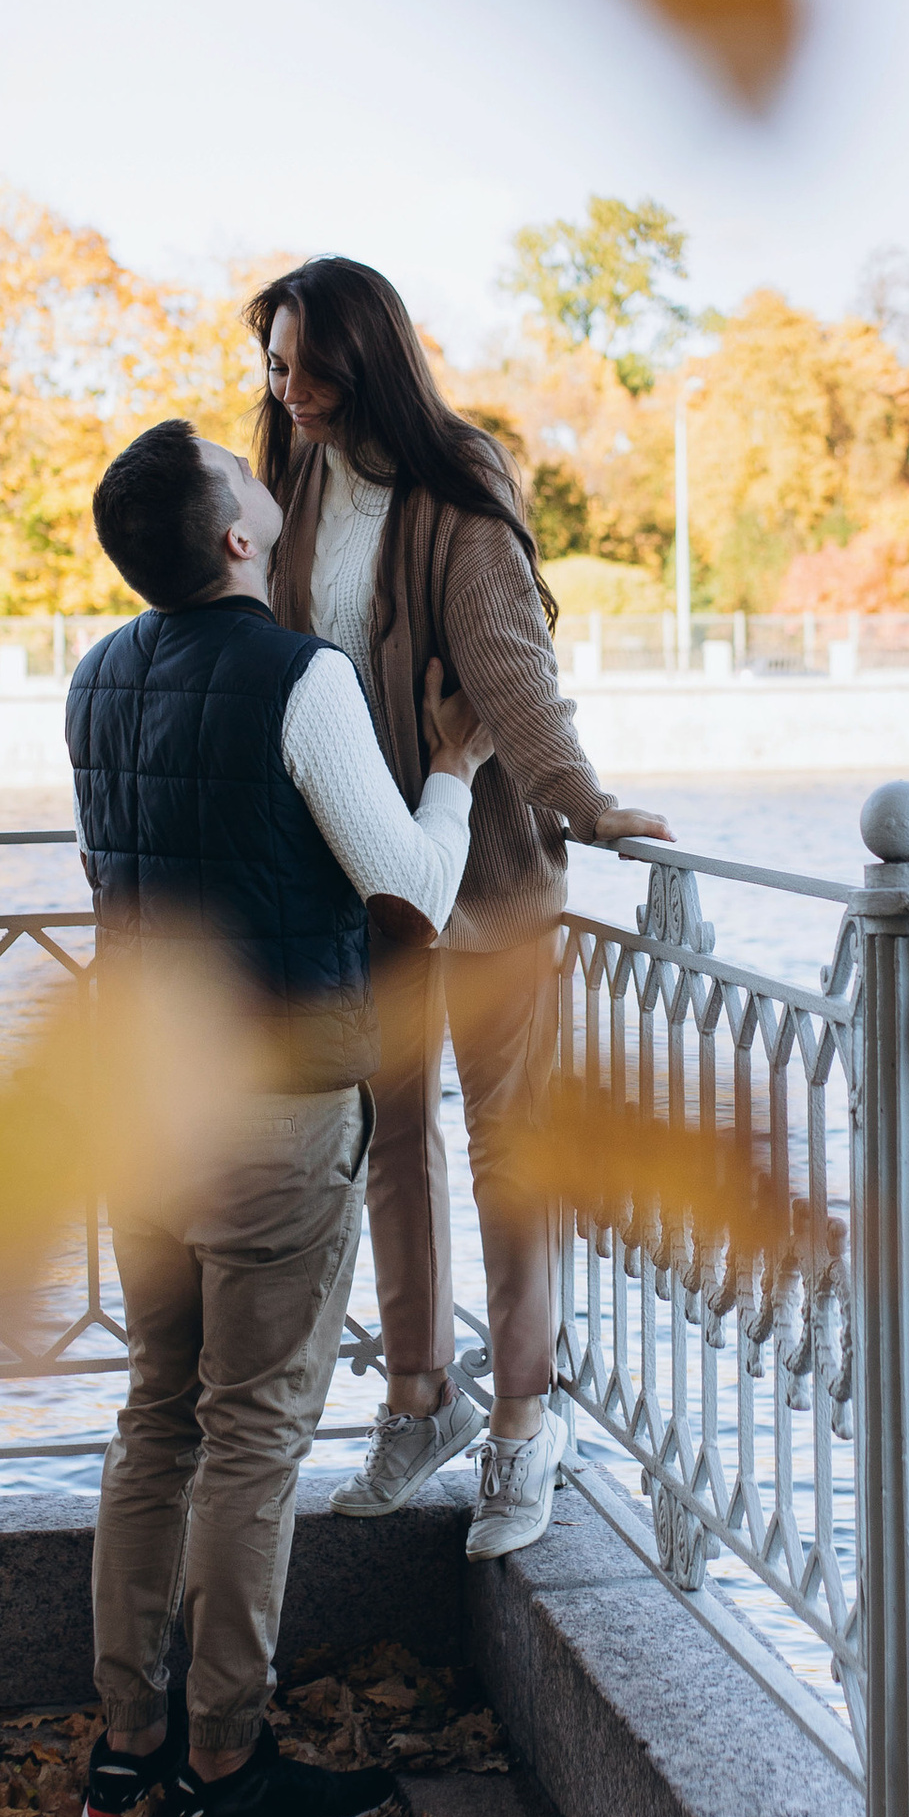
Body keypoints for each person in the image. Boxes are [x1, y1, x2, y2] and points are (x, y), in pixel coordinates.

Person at [68, 415, 497, 1817]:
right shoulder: (302, 681)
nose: (269, 478)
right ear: (239, 539)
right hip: (268, 1111)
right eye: (246, 481)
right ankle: (225, 1768)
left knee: (154, 1414)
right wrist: (456, 763)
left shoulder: (96, 681)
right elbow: (413, 891)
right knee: (251, 1432)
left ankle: (126, 1755)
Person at [248, 256, 672, 1560]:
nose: (292, 389)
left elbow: (508, 663)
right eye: (274, 365)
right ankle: (420, 1399)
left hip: (485, 876)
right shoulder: (290, 493)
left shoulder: (455, 484)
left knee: (509, 1155)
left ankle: (526, 1427)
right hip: (369, 877)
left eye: (311, 363)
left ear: (369, 356)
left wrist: (585, 803)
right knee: (390, 1140)